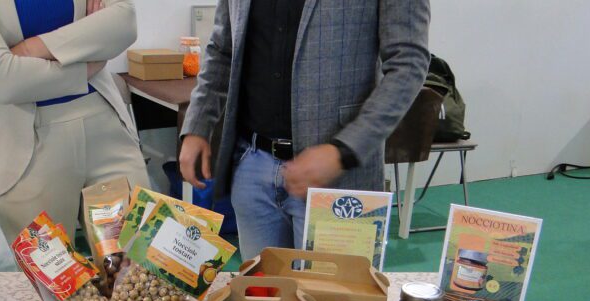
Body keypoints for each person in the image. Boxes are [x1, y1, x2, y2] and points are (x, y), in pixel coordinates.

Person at [179, 0, 430, 260]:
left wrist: (343, 151)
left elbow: (409, 64)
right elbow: (222, 49)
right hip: (252, 168)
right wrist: (198, 124)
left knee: (335, 288)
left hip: (339, 179)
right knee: (262, 286)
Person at [0, 0, 149, 241]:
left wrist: (29, 49)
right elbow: (4, 80)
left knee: (136, 255)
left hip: (106, 130)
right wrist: (83, 67)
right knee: (53, 263)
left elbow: (124, 21)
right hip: (25, 148)